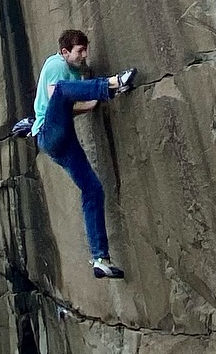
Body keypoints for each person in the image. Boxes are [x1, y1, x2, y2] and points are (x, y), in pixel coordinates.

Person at [26, 29, 137, 279]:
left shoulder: (75, 73)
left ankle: (101, 259)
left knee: (93, 189)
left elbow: (77, 108)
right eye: (80, 51)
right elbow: (59, 96)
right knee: (64, 90)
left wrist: (105, 96)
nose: (85, 55)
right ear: (65, 52)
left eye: (86, 49)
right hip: (48, 133)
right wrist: (109, 85)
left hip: (62, 141)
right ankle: (115, 80)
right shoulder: (55, 64)